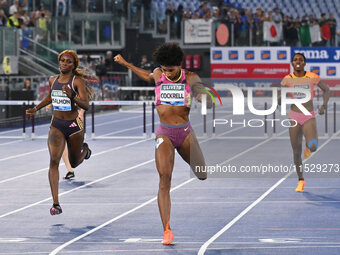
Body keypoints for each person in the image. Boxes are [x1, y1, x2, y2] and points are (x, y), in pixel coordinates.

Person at [114, 43, 211, 245]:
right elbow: (146, 75)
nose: (167, 72)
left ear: (179, 65)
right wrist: (126, 64)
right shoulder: (158, 73)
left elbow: (202, 94)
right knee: (164, 179)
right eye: (165, 69)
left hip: (184, 133)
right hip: (164, 134)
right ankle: (167, 230)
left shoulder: (191, 77)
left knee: (202, 173)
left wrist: (203, 98)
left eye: (171, 70)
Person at [26, 50, 93, 215]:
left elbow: (85, 105)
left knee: (74, 162)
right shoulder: (52, 80)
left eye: (68, 62)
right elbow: (50, 97)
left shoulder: (77, 81)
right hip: (56, 124)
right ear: (59, 62)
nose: (64, 63)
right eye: (62, 60)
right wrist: (36, 108)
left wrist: (72, 96)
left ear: (73, 65)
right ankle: (56, 203)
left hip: (73, 126)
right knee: (54, 161)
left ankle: (85, 151)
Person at [280, 53, 329, 192]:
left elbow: (327, 90)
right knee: (296, 151)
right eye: (295, 60)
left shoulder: (312, 77)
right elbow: (281, 95)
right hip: (294, 116)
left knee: (313, 146)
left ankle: (308, 148)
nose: (298, 62)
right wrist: (279, 99)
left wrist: (323, 106)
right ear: (292, 63)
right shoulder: (287, 79)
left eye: (301, 60)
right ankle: (301, 180)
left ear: (304, 63)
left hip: (308, 115)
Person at [45, 104, 85, 179]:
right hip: (60, 118)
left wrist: (81, 112)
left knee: (74, 158)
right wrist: (49, 103)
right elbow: (54, 93)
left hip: (73, 117)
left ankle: (85, 151)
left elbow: (86, 96)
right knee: (61, 145)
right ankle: (70, 170)